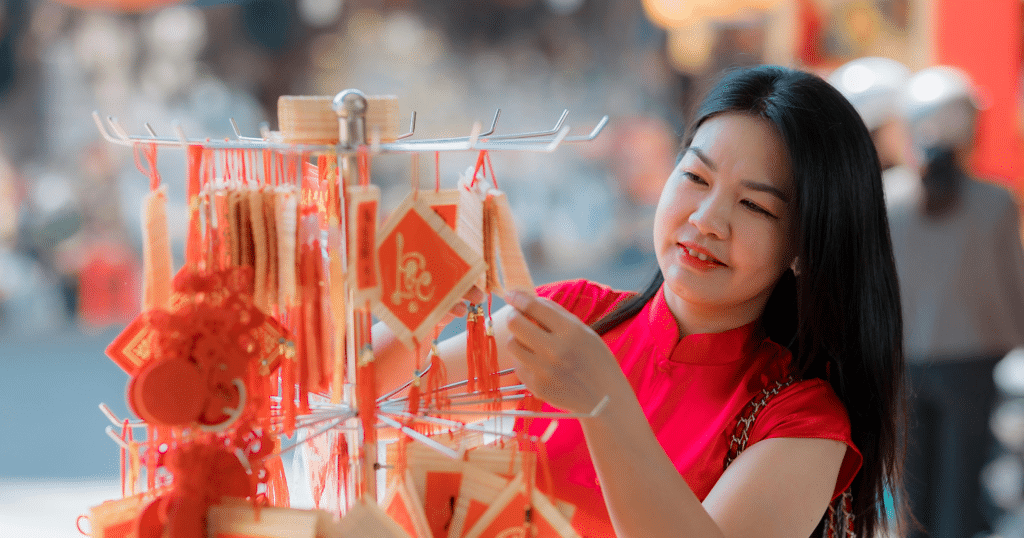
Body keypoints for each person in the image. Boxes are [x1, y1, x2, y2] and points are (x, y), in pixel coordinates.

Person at [374, 64, 906, 537]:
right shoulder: (573, 319)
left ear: (804, 246)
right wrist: (426, 305)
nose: (705, 220)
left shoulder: (800, 420)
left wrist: (605, 406)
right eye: (696, 177)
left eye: (754, 206)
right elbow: (371, 401)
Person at [887, 65, 1024, 538]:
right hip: (971, 365)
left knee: (913, 494)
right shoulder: (997, 203)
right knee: (960, 493)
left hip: (902, 366)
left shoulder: (887, 201)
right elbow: (1014, 286)